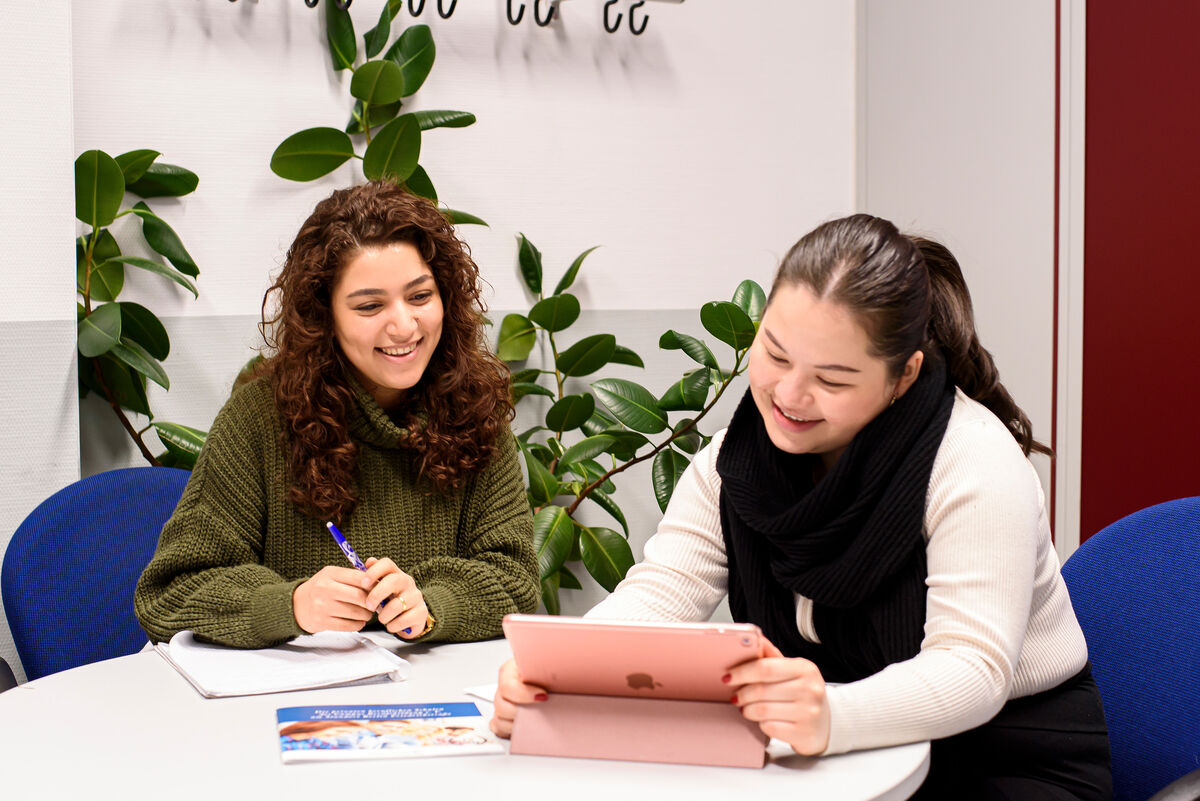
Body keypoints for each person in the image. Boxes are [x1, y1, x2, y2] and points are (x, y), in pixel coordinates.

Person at [492, 214, 1110, 799]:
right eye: (776, 354)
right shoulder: (732, 462)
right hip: (828, 755)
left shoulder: (972, 462)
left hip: (1001, 760)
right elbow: (661, 594)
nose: (789, 395)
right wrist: (560, 672)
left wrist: (833, 714)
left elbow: (972, 670)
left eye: (833, 380)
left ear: (903, 376)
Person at [135, 181, 539, 648]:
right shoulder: (259, 419)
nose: (404, 325)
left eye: (420, 297)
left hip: (431, 698)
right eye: (370, 306)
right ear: (323, 316)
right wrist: (290, 605)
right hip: (279, 705)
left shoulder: (477, 410)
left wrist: (433, 605)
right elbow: (170, 592)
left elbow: (515, 580)